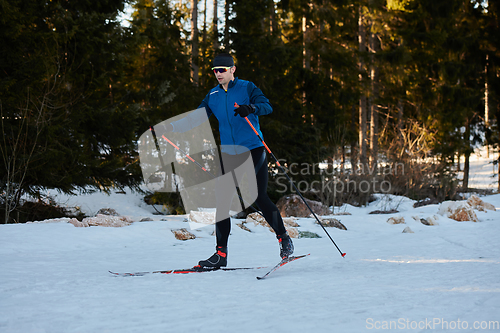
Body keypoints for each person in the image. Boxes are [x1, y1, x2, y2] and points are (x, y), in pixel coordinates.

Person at [193, 53, 294, 268]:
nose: (218, 74)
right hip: (229, 153)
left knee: (258, 196)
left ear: (232, 70)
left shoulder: (247, 87)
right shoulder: (213, 95)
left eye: (222, 69)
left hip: (253, 149)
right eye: (215, 70)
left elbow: (267, 106)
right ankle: (221, 254)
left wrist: (252, 108)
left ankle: (284, 239)